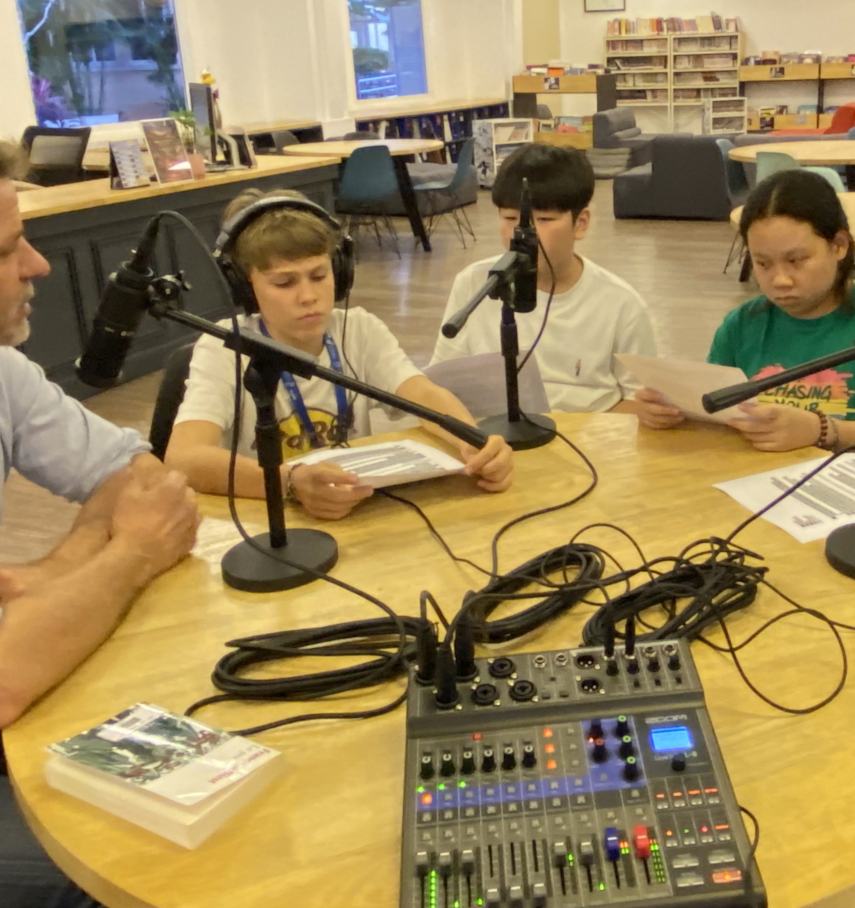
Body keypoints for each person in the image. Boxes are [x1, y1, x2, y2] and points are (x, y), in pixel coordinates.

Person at [0, 142, 201, 907]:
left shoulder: (4, 372)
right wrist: (128, 556)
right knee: (151, 861)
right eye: (7, 249)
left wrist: (59, 572)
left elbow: (141, 477)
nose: (39, 267)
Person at [167, 189, 512, 520]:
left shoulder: (360, 329)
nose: (308, 296)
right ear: (244, 286)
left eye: (319, 275)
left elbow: (423, 396)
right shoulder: (223, 348)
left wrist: (474, 442)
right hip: (267, 516)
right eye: (284, 283)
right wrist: (290, 482)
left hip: (352, 511)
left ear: (341, 272)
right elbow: (183, 458)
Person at [634, 169, 855, 473]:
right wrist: (675, 414)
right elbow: (721, 421)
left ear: (839, 245)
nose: (779, 280)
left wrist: (821, 430)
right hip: (760, 484)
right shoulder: (742, 325)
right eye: (762, 263)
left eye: (796, 261)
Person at [429, 144, 657, 412]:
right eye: (510, 218)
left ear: (581, 224)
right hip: (496, 441)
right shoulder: (473, 283)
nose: (523, 234)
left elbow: (638, 403)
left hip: (585, 444)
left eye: (545, 219)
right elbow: (439, 387)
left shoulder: (622, 305)